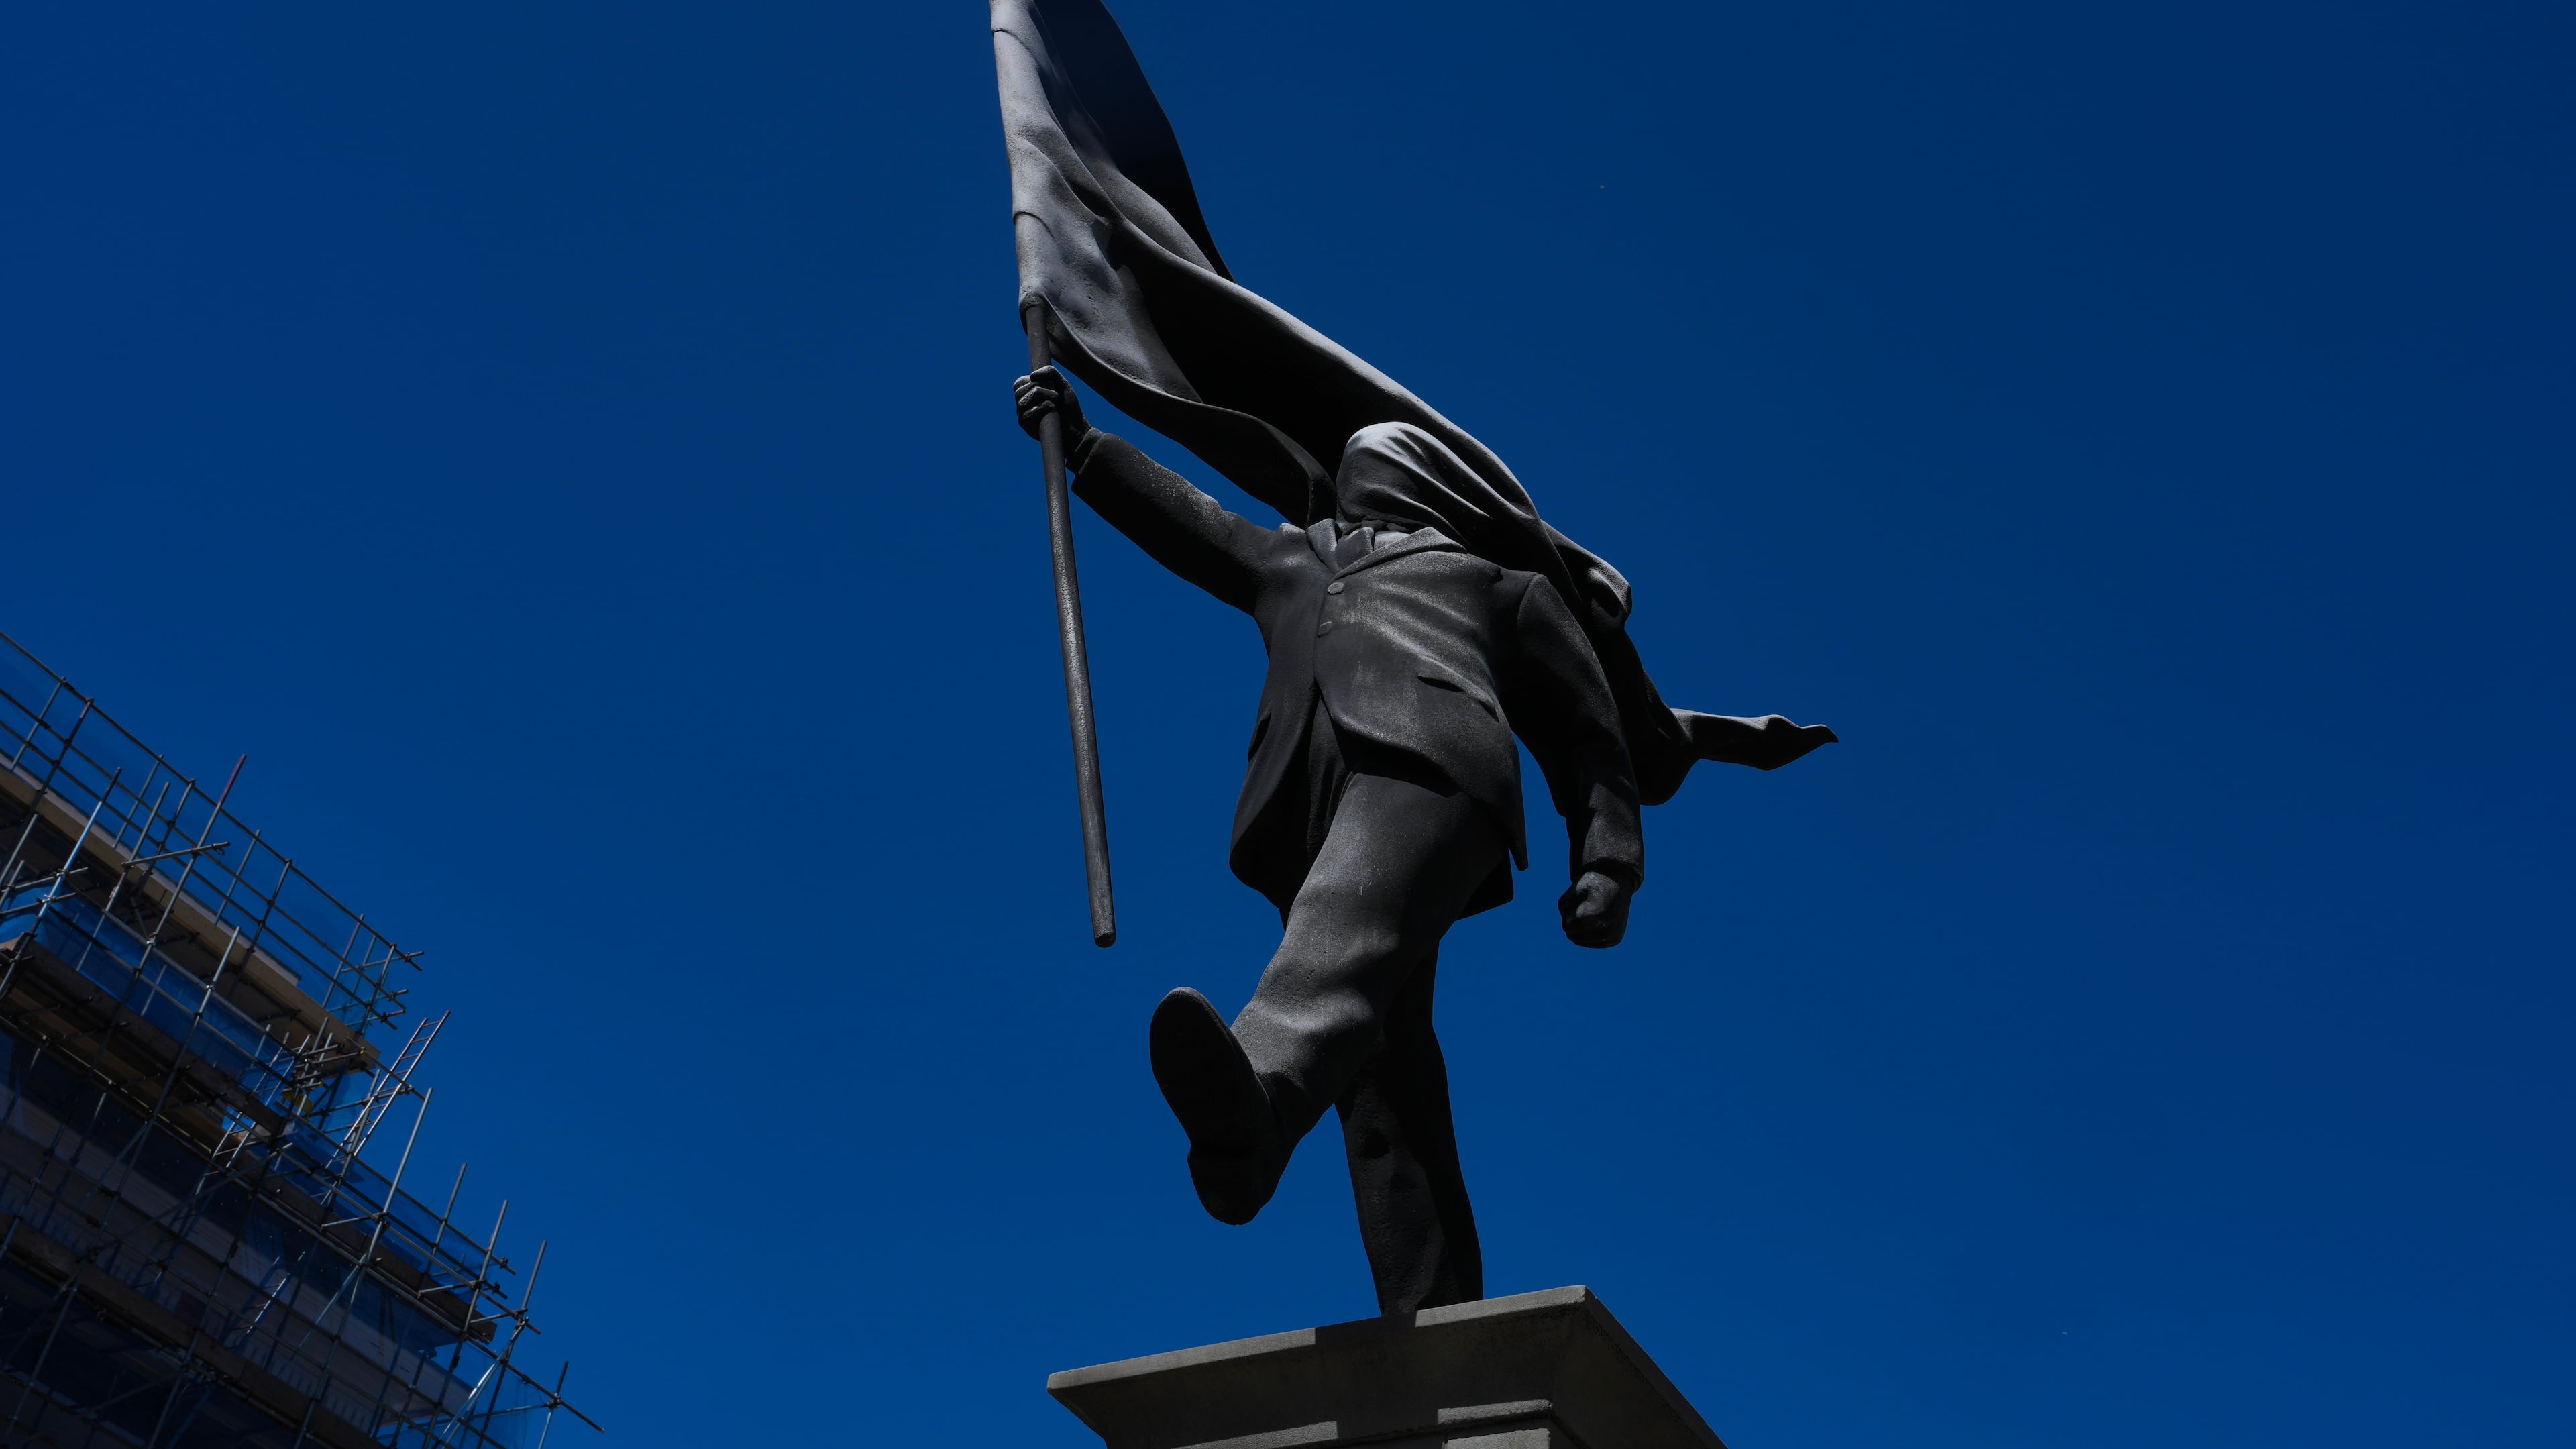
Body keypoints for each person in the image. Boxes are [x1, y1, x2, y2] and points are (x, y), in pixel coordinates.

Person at [1018, 366, 1644, 1314]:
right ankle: (1435, 1311)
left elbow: (1589, 728)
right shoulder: (1294, 558)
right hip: (1305, 801)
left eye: (1376, 462)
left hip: (1433, 771)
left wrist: (1607, 856)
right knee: (1381, 1062)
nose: (1354, 473)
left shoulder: (1497, 587)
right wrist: (1087, 445)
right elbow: (1199, 525)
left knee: (1336, 939)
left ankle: (1254, 1111)